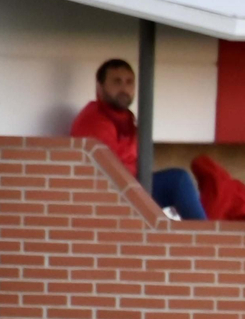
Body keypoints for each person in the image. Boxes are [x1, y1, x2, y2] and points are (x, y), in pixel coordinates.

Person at [70, 58, 208, 221]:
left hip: (132, 186)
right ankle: (205, 239)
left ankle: (201, 236)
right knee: (178, 181)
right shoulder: (96, 120)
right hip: (111, 193)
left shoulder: (123, 118)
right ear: (99, 87)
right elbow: (106, 172)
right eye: (117, 82)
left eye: (129, 82)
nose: (124, 88)